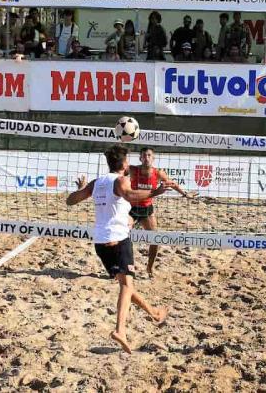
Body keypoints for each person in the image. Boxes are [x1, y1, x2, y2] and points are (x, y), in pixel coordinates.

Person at [66, 145, 170, 354]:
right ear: (123, 164)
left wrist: (81, 189)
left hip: (100, 243)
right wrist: (155, 192)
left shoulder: (96, 183)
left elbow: (70, 201)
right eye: (127, 160)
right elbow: (130, 194)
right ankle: (120, 330)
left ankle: (153, 312)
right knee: (126, 285)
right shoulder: (120, 180)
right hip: (119, 239)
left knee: (125, 284)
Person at [128, 147, 197, 277]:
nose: (146, 158)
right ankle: (125, 267)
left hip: (146, 209)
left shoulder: (158, 173)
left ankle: (149, 268)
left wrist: (185, 194)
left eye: (149, 155)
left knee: (155, 239)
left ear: (153, 158)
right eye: (144, 155)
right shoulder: (133, 170)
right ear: (140, 158)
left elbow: (172, 184)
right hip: (130, 208)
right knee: (123, 237)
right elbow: (117, 172)